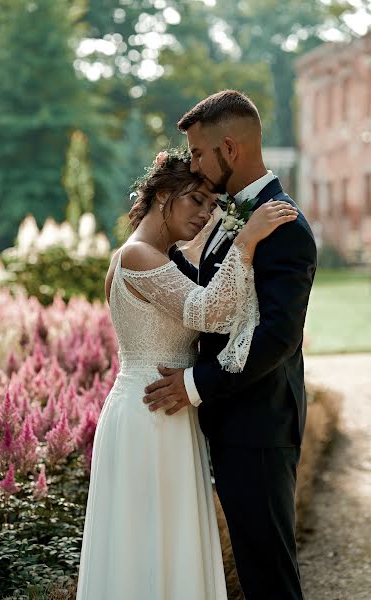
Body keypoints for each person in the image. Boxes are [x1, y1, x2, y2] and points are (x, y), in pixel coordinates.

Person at [75, 147, 298, 600]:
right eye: (195, 200)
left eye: (212, 204)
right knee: (147, 544)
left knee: (166, 543)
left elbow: (205, 279)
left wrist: (232, 226)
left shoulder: (158, 257)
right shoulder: (138, 257)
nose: (204, 213)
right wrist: (247, 239)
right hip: (150, 414)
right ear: (163, 196)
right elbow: (207, 310)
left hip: (165, 410)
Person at [143, 91, 317, 600]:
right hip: (232, 421)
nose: (192, 164)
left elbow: (279, 337)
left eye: (198, 152)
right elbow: (210, 301)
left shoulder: (282, 225)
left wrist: (196, 385)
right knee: (253, 563)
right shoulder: (233, 216)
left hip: (260, 427)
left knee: (270, 576)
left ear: (230, 148)